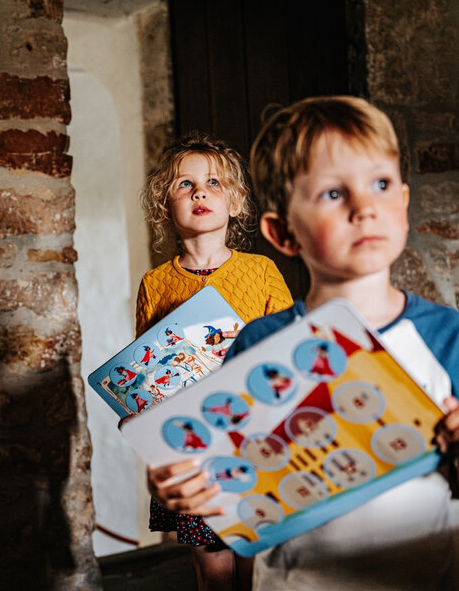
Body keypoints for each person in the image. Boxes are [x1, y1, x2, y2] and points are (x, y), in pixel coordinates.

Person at [147, 97, 459, 590]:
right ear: (283, 233)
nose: (364, 207)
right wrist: (185, 487)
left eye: (381, 184)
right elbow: (228, 484)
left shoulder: (446, 334)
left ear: (403, 203)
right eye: (331, 194)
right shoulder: (260, 342)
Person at [135, 132, 293, 591]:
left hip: (254, 432)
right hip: (193, 443)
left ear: (237, 204)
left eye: (213, 183)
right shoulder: (155, 283)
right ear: (166, 207)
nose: (199, 192)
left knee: (255, 564)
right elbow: (148, 370)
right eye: (184, 185)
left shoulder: (261, 272)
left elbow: (283, 350)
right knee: (214, 568)